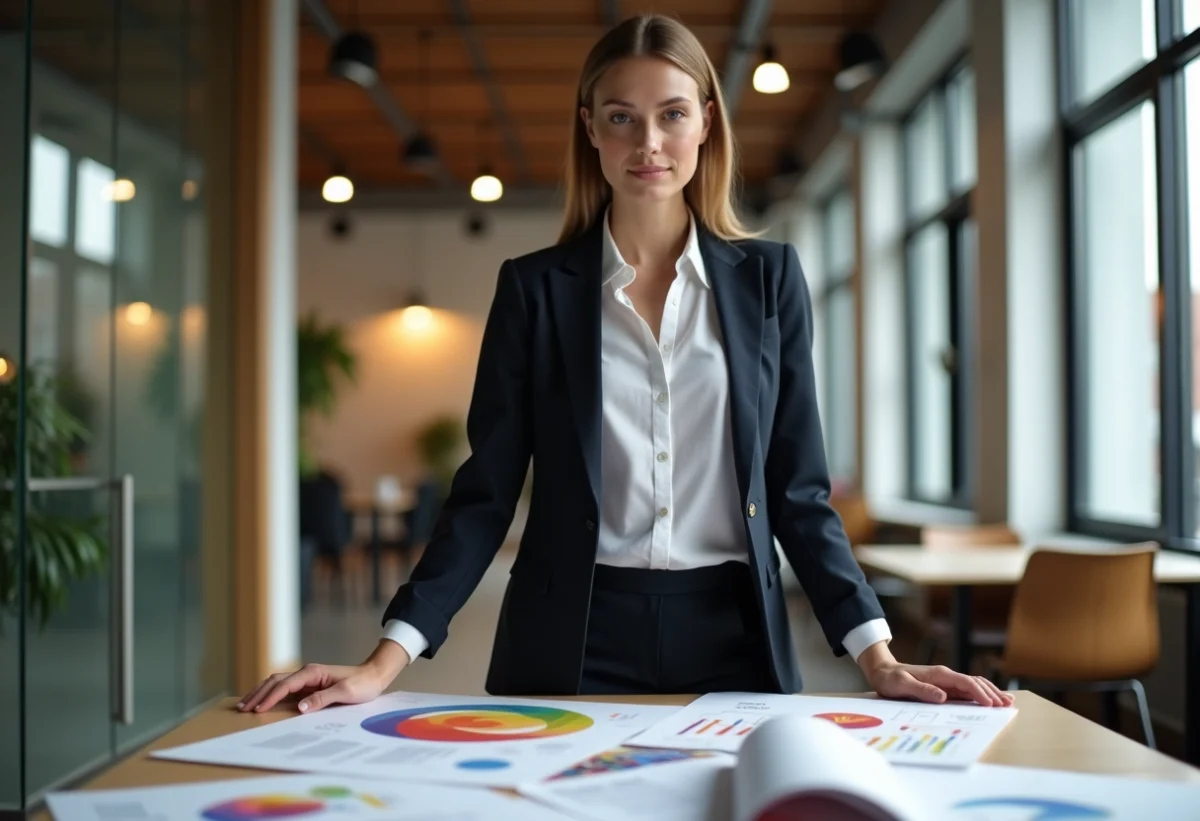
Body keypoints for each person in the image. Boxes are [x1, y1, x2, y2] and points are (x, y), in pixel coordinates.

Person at [240, 14, 1013, 715]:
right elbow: (485, 494)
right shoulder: (534, 290)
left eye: (672, 114)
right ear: (591, 128)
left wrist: (879, 657)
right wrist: (383, 661)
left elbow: (798, 490)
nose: (648, 143)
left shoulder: (770, 281)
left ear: (706, 121)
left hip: (735, 634)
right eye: (621, 117)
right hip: (572, 637)